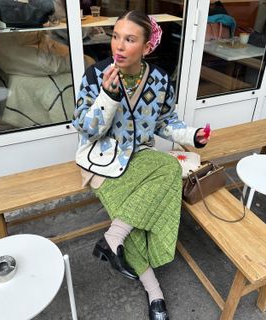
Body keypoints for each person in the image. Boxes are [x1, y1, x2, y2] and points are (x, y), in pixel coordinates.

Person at [72, 10, 209, 320]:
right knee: (137, 219)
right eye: (116, 36)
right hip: (102, 161)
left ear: (147, 48)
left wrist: (191, 135)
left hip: (141, 158)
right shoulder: (96, 76)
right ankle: (154, 291)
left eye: (129, 39)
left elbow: (165, 122)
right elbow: (86, 128)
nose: (118, 46)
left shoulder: (159, 80)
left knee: (168, 168)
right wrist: (108, 96)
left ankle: (112, 238)